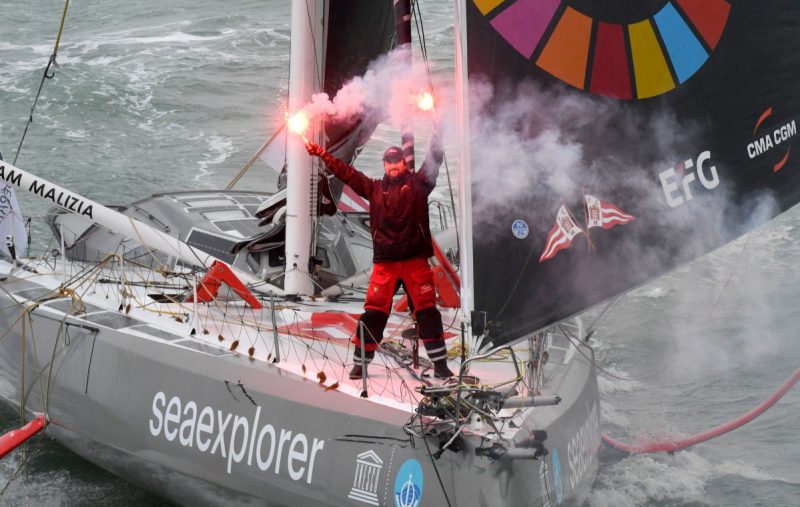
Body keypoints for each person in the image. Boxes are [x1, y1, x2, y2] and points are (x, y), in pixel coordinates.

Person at [305, 128, 454, 380]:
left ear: (402, 164)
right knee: (374, 313)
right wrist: (321, 154)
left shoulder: (420, 184)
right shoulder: (373, 188)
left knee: (427, 311)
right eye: (389, 163)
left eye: (397, 162)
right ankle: (360, 363)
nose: (393, 166)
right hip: (385, 264)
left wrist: (439, 129)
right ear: (384, 165)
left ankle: (440, 365)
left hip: (415, 262)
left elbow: (434, 159)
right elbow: (347, 173)